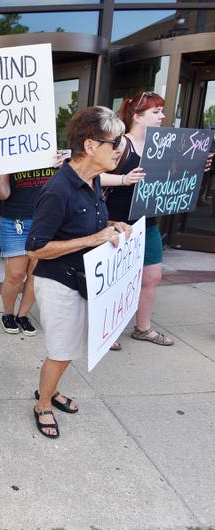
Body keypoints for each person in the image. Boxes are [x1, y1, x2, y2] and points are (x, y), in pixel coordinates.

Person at [26, 107, 131, 439]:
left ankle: (51, 389)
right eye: (115, 143)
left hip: (83, 280)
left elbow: (93, 223)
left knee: (68, 348)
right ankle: (43, 404)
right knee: (61, 350)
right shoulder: (58, 190)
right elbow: (35, 248)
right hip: (59, 282)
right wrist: (94, 238)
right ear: (89, 146)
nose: (120, 150)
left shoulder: (93, 179)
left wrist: (111, 225)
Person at [100, 92, 170, 349]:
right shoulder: (120, 144)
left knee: (152, 275)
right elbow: (92, 174)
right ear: (137, 116)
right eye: (155, 112)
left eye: (161, 111)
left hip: (147, 222)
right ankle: (107, 331)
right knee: (115, 280)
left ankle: (143, 328)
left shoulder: (160, 145)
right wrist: (123, 179)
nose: (162, 116)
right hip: (116, 222)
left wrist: (195, 167)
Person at [0, 155, 66, 336]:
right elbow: (3, 193)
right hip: (15, 220)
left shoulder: (50, 150)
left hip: (46, 220)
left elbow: (64, 187)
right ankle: (8, 314)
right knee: (15, 274)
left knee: (36, 274)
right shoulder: (10, 152)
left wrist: (63, 168)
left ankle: (23, 315)